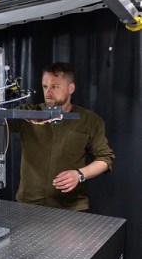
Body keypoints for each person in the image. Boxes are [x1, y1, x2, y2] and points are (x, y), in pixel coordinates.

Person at [8, 62, 114, 211]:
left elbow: (105, 159)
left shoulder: (90, 120)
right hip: (29, 204)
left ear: (71, 88)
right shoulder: (28, 113)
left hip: (70, 207)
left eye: (55, 86)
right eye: (45, 87)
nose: (48, 92)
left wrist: (79, 174)